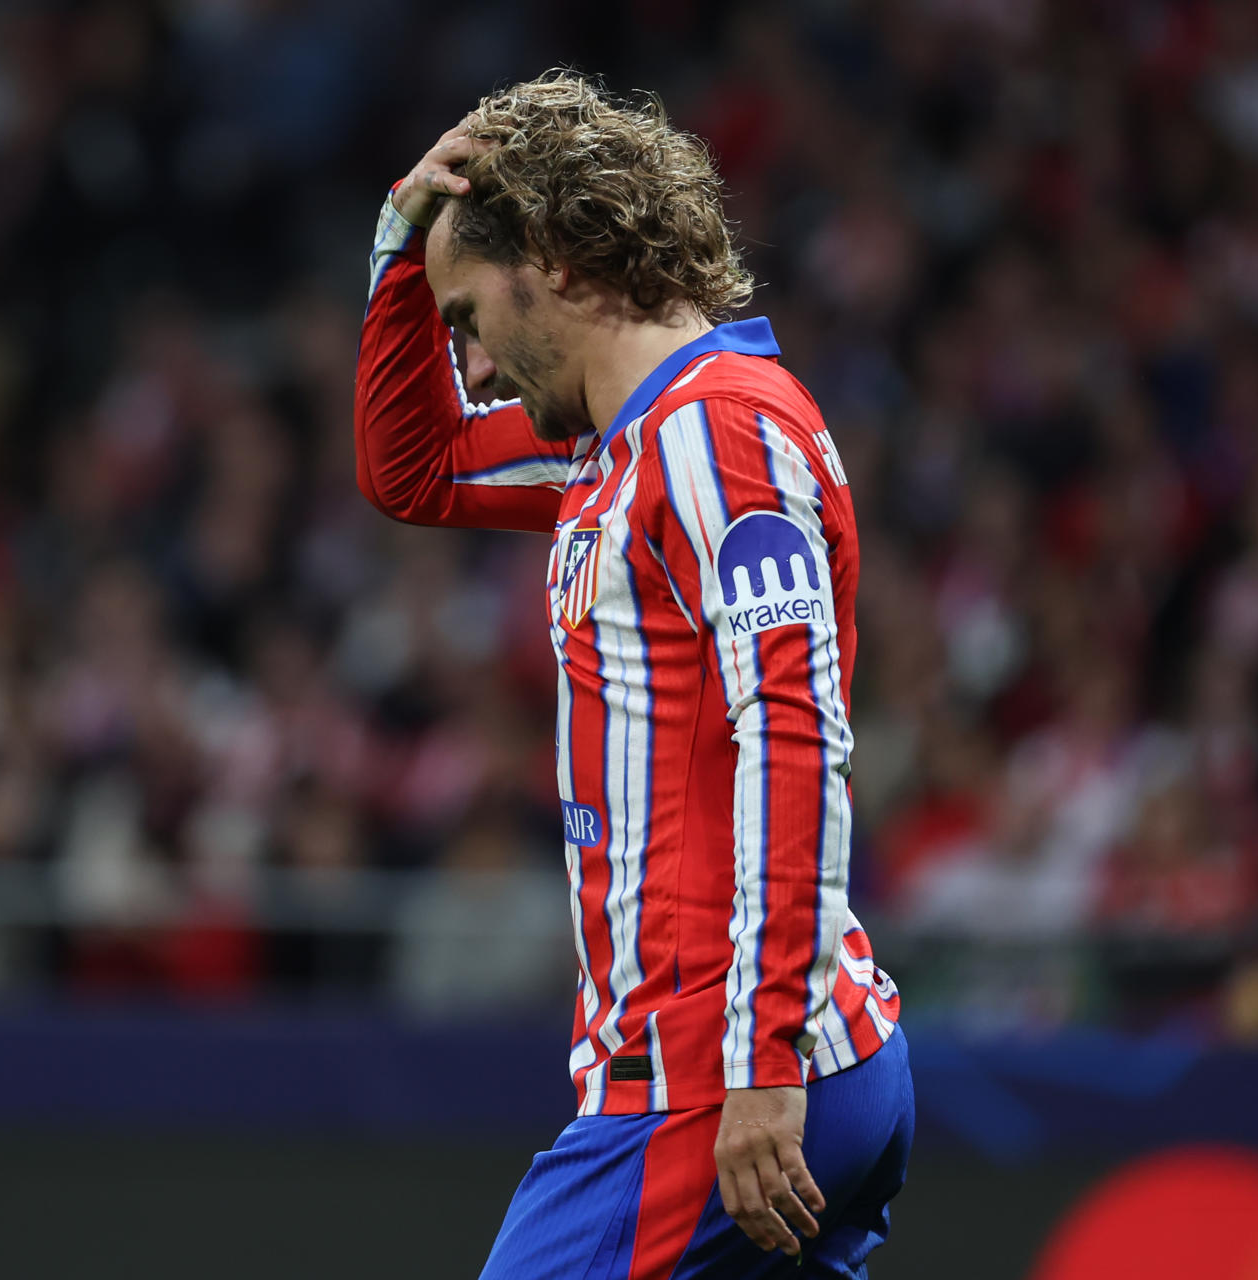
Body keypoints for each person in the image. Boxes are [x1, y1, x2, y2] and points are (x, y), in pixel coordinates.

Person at [354, 73, 912, 1278]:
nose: (476, 365)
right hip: (783, 1052)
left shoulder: (716, 436)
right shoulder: (614, 447)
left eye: (465, 318)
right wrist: (403, 244)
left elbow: (795, 733)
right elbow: (416, 464)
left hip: (715, 1073)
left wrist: (760, 1058)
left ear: (550, 253)